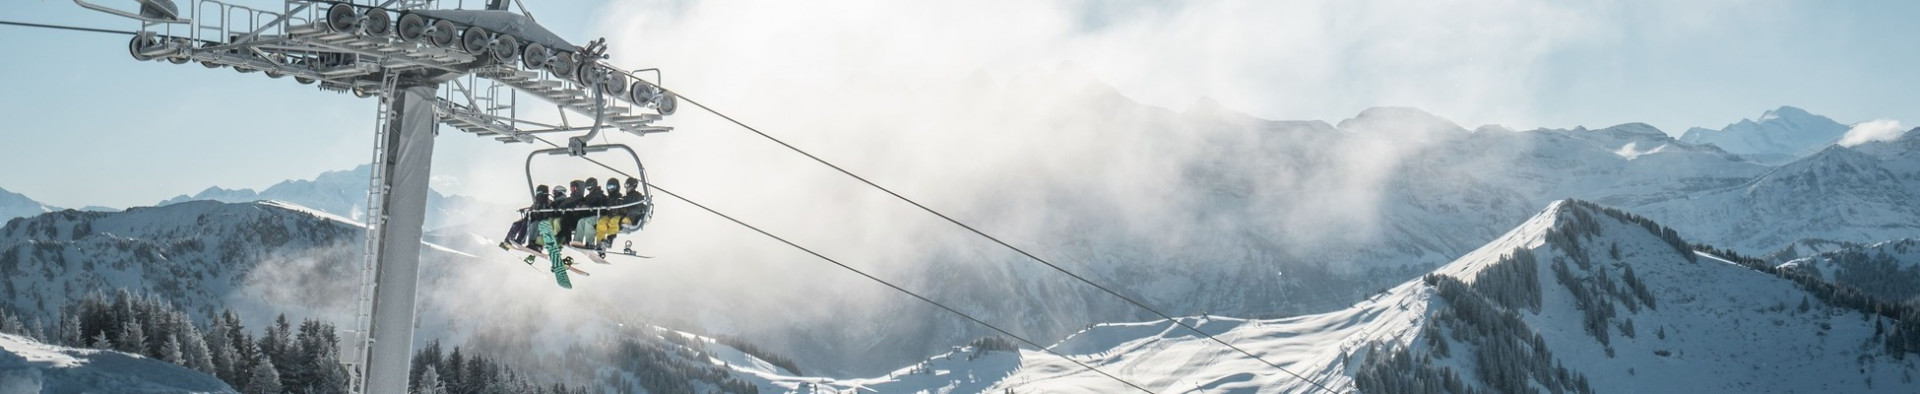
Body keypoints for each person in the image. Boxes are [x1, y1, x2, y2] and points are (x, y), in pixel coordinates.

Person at [499, 185, 547, 250]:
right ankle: (508, 241)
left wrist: (536, 214)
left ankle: (519, 241)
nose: (538, 195)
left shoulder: (546, 203)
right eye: (537, 193)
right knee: (516, 224)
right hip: (529, 219)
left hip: (537, 221)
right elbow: (530, 211)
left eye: (539, 193)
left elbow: (545, 214)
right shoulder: (536, 203)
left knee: (526, 224)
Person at [570, 178, 607, 248]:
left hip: (600, 216)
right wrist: (580, 205)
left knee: (588, 222)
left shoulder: (600, 195)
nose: (589, 189)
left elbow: (595, 204)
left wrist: (588, 206)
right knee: (581, 221)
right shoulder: (589, 196)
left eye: (589, 187)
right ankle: (577, 241)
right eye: (587, 187)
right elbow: (585, 202)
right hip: (592, 216)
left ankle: (589, 242)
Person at [595, 177, 625, 249]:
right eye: (609, 187)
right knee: (601, 222)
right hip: (609, 216)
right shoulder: (608, 198)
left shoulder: (620, 197)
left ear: (617, 187)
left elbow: (623, 208)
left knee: (613, 222)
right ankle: (600, 242)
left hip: (617, 216)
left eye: (612, 187)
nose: (610, 189)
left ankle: (609, 240)